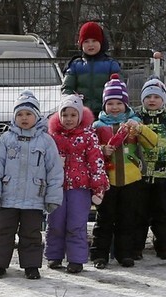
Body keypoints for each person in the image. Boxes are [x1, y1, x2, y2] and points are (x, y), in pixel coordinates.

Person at [0, 91, 64, 280]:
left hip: (34, 199)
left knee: (31, 234)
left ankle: (31, 266)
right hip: (8, 198)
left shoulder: (46, 141)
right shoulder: (6, 139)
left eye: (28, 114)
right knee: (2, 232)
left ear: (36, 116)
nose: (24, 118)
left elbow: (54, 172)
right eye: (20, 114)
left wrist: (52, 197)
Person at [91, 74, 158, 269]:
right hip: (106, 181)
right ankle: (99, 254)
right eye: (110, 103)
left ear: (126, 104)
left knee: (128, 219)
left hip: (131, 181)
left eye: (119, 103)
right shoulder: (97, 126)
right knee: (104, 219)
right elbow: (89, 151)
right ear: (104, 105)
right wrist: (103, 149)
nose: (114, 107)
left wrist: (140, 129)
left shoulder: (133, 124)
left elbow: (152, 143)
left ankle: (125, 254)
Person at [45, 94, 109, 273]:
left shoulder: (89, 136)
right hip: (56, 187)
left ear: (80, 116)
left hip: (80, 188)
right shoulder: (53, 137)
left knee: (76, 223)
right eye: (65, 115)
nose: (69, 119)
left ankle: (76, 258)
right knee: (55, 222)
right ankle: (54, 255)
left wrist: (98, 186)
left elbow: (96, 162)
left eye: (73, 115)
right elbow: (44, 161)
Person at [134, 77, 166, 259]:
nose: (152, 100)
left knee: (163, 213)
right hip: (141, 176)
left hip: (163, 176)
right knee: (139, 214)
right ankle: (136, 247)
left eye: (156, 96)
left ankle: (164, 247)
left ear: (163, 99)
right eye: (148, 97)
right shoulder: (136, 118)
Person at [61, 21, 122, 117]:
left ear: (101, 42)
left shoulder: (111, 64)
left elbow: (120, 88)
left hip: (106, 113)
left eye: (94, 41)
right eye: (86, 41)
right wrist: (72, 101)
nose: (90, 44)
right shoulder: (75, 65)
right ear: (80, 44)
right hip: (81, 113)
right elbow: (67, 88)